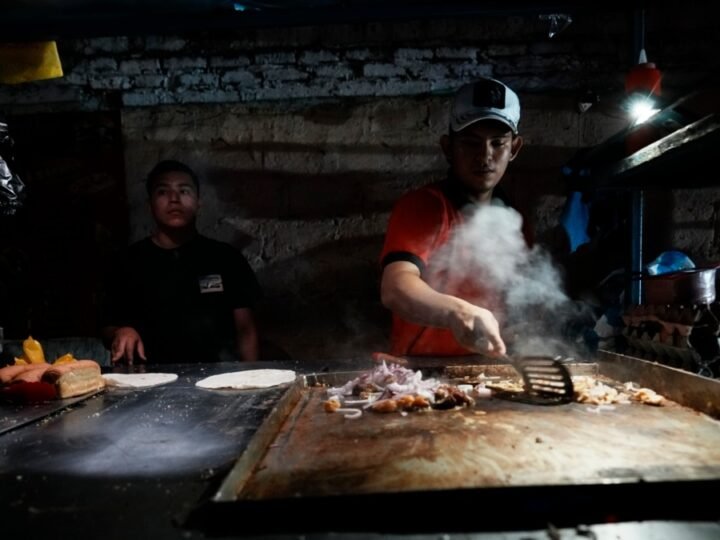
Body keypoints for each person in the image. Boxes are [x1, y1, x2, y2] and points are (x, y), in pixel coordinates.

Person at [379, 77, 524, 357]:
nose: (485, 156)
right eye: (471, 143)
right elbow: (395, 286)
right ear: (448, 147)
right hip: (421, 375)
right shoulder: (425, 207)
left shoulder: (515, 221)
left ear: (514, 148)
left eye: (498, 143)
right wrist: (458, 311)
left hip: (489, 377)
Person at [101, 160, 261, 364]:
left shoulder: (225, 257)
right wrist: (120, 332)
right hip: (149, 381)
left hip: (220, 379)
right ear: (150, 204)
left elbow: (246, 331)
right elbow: (106, 327)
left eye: (184, 191)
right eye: (162, 192)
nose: (174, 199)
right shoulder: (126, 262)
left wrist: (252, 377)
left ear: (198, 202)